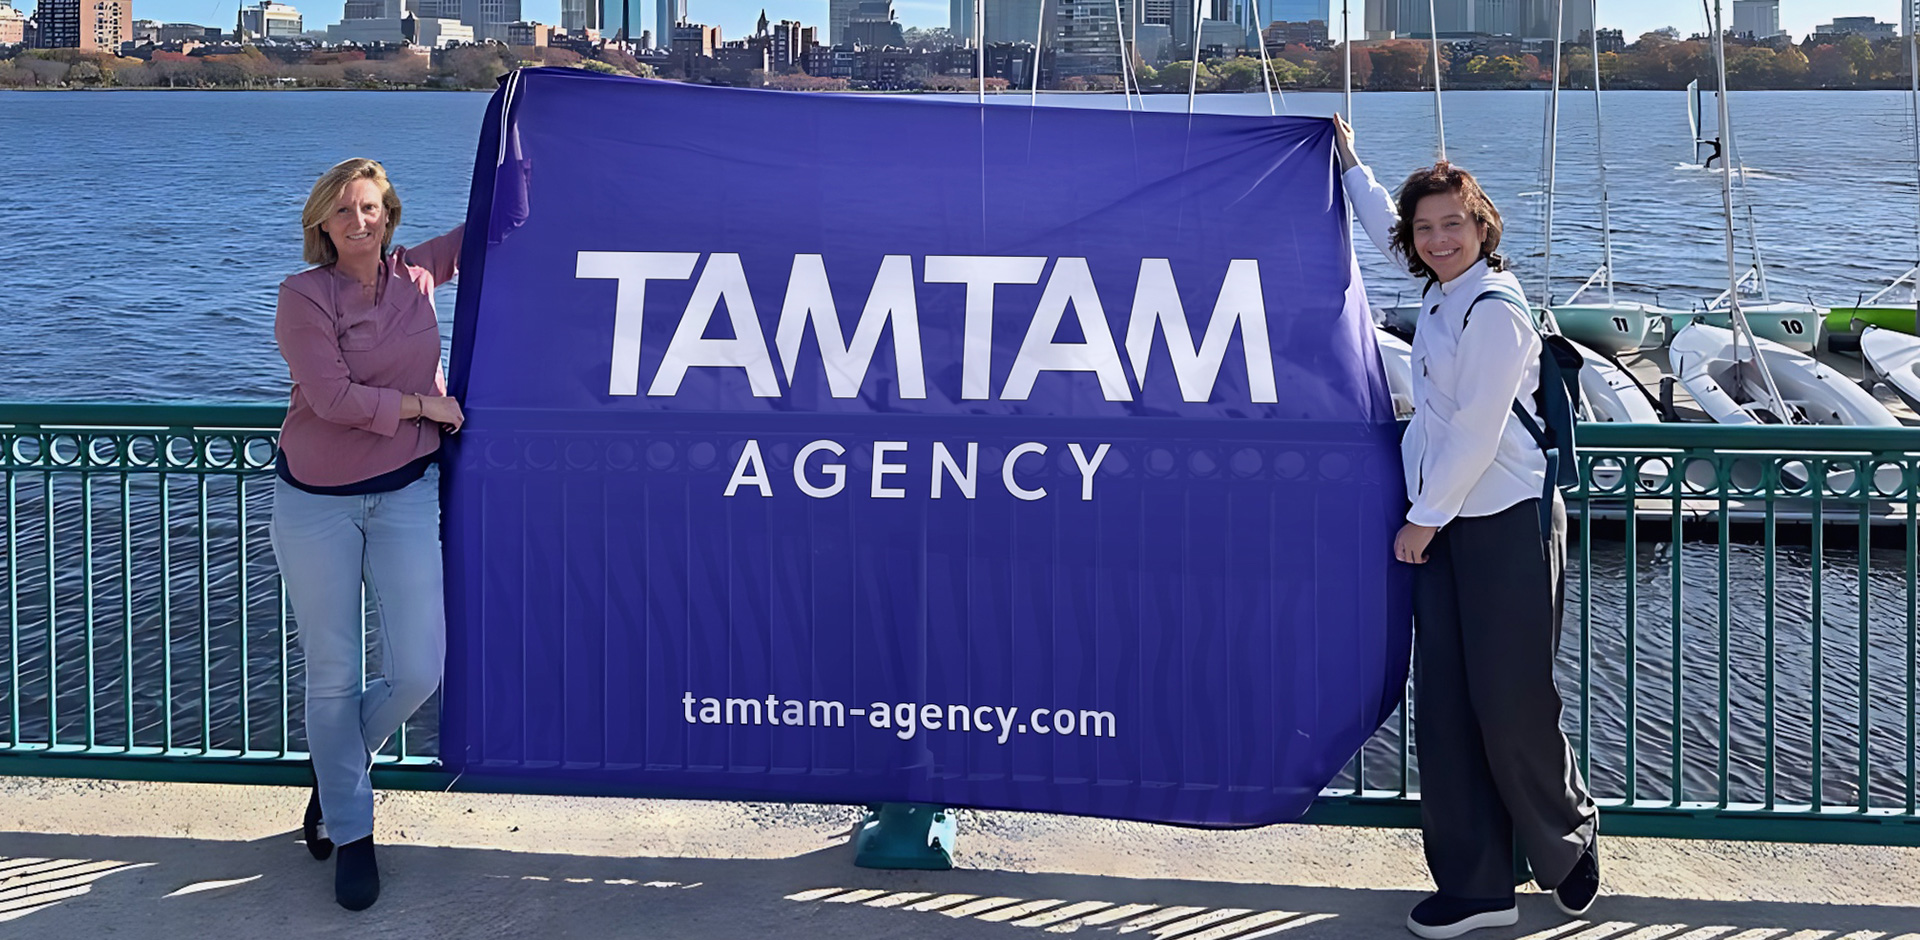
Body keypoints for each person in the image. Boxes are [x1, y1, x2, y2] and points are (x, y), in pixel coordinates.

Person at [1332, 115, 1600, 939]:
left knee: (1511, 700)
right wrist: (1349, 165)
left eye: (1455, 223)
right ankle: (1476, 884)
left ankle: (1566, 840)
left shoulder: (1495, 308)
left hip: (1504, 522)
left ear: (1484, 228)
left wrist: (1420, 521)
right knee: (1445, 709)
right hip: (1446, 527)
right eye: (1427, 227)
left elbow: (1480, 431)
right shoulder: (1438, 290)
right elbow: (1387, 230)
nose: (1439, 237)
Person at [270, 157, 465, 911]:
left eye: (373, 208)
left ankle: (336, 763)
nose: (361, 221)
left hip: (404, 494)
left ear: (391, 214)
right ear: (323, 222)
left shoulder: (417, 275)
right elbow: (332, 398)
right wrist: (424, 406)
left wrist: (535, 140)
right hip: (316, 502)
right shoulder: (303, 296)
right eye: (346, 210)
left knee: (419, 667)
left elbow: (490, 234)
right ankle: (353, 833)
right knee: (334, 674)